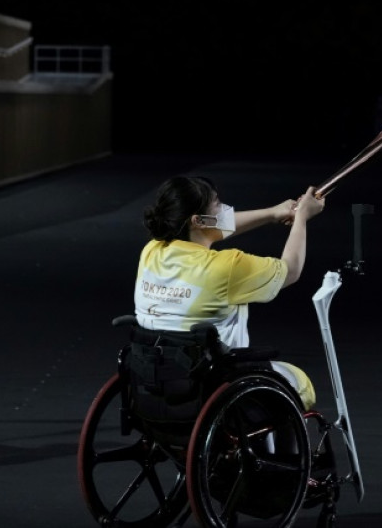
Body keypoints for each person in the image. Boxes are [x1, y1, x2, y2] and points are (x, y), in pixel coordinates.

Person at [134, 175, 325, 410]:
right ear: (198, 220)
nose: (224, 209)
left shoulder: (152, 251)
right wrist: (302, 219)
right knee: (299, 383)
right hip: (217, 379)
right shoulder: (225, 267)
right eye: (217, 204)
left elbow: (214, 230)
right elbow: (291, 270)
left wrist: (273, 212)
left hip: (161, 378)